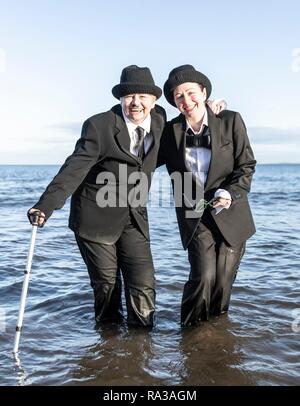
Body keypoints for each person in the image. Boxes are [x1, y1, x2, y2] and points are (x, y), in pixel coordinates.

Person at [27, 65, 166, 327]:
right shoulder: (99, 126)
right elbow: (74, 168)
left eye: (142, 97)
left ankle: (141, 344)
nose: (135, 103)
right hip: (95, 218)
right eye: (128, 97)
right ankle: (109, 344)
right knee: (107, 285)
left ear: (154, 100)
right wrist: (45, 205)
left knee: (143, 283)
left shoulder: (160, 121)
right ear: (121, 99)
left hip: (134, 217)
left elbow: (189, 124)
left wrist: (215, 111)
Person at [158, 65, 256, 327]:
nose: (186, 100)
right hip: (195, 215)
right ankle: (190, 333)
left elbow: (246, 165)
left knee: (223, 282)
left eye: (191, 92)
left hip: (231, 214)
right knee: (203, 276)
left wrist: (230, 192)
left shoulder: (230, 120)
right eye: (178, 96)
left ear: (203, 92)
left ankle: (216, 333)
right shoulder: (169, 132)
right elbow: (143, 157)